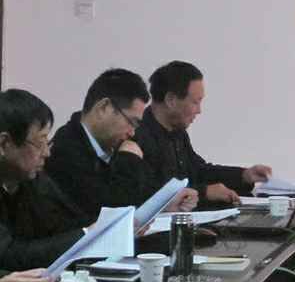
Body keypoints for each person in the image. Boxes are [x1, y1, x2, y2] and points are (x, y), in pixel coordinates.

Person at [45, 68, 198, 222]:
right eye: (131, 122)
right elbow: (113, 209)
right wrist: (129, 160)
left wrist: (165, 204)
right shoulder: (65, 151)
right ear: (104, 108)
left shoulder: (113, 144)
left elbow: (143, 192)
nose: (132, 132)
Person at [116, 61, 271, 207]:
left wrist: (244, 175)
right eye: (195, 102)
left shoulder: (177, 131)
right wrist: (204, 193)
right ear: (171, 100)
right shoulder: (136, 135)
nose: (199, 110)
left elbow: (198, 171)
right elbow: (147, 192)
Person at [0, 89, 88, 270]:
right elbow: (8, 256)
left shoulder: (35, 179)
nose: (47, 153)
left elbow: (66, 225)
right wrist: (86, 234)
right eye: (40, 142)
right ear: (4, 143)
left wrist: (106, 228)